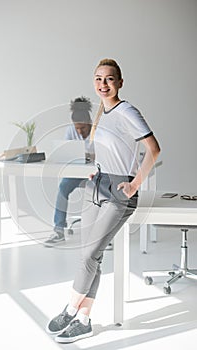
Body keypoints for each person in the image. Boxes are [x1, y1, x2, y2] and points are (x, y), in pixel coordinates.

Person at [46, 58, 161, 343]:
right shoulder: (101, 111)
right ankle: (84, 320)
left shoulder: (127, 110)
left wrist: (135, 184)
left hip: (119, 191)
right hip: (96, 186)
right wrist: (94, 171)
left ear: (120, 82)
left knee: (88, 256)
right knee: (90, 255)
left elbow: (153, 148)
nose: (103, 84)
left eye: (109, 79)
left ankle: (70, 307)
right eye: (98, 79)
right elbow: (107, 150)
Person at [44, 96, 94, 246]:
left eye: (83, 128)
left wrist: (90, 155)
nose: (79, 132)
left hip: (96, 174)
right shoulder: (70, 130)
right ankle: (59, 231)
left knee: (101, 192)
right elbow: (66, 152)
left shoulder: (99, 131)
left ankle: (101, 234)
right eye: (77, 128)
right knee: (63, 188)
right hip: (77, 173)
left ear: (89, 123)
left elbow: (107, 155)